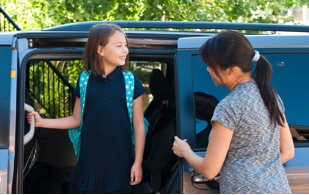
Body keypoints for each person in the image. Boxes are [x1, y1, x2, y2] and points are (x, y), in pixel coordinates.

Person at [28, 23, 146, 193]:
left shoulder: (130, 81)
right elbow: (76, 120)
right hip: (88, 166)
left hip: (119, 167)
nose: (125, 50)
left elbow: (139, 125)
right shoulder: (84, 80)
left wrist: (138, 163)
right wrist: (42, 122)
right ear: (100, 49)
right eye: (119, 45)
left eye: (126, 45)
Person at [172, 30, 295, 194]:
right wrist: (238, 173)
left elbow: (209, 170)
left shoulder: (229, 106)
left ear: (231, 69)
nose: (208, 70)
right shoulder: (271, 95)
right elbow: (288, 151)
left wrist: (184, 151)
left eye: (211, 65)